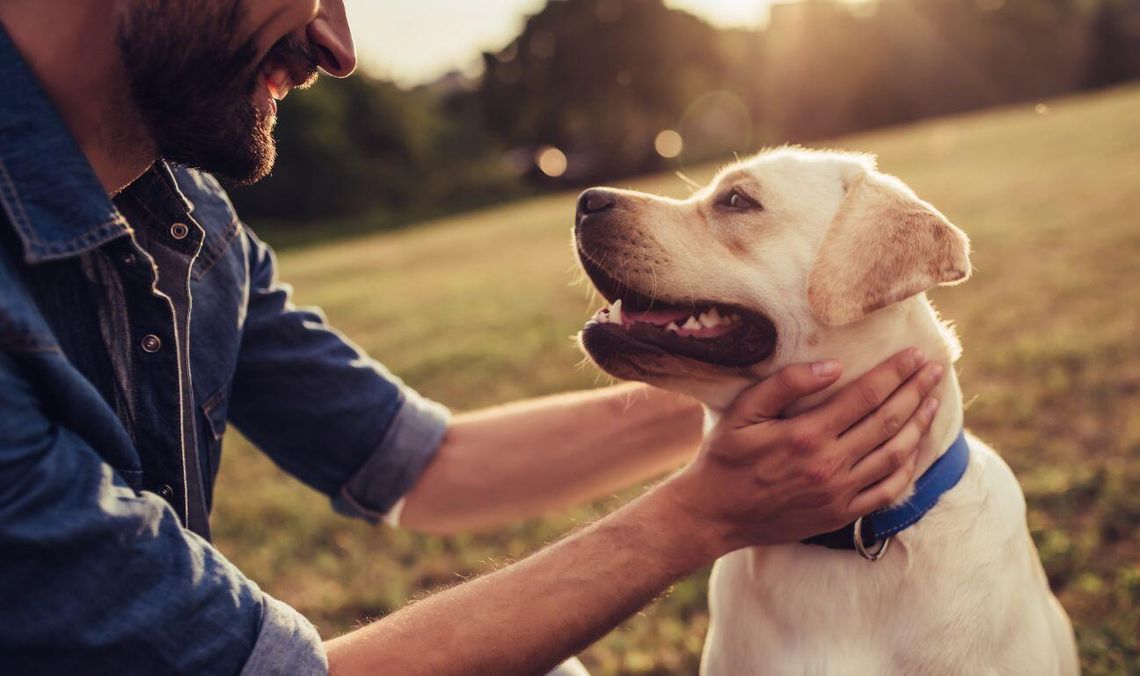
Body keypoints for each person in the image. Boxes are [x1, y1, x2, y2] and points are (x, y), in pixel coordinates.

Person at [0, 1, 945, 674]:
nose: (338, 45)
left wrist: (792, 386)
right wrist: (701, 516)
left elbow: (428, 464)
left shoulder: (190, 225)